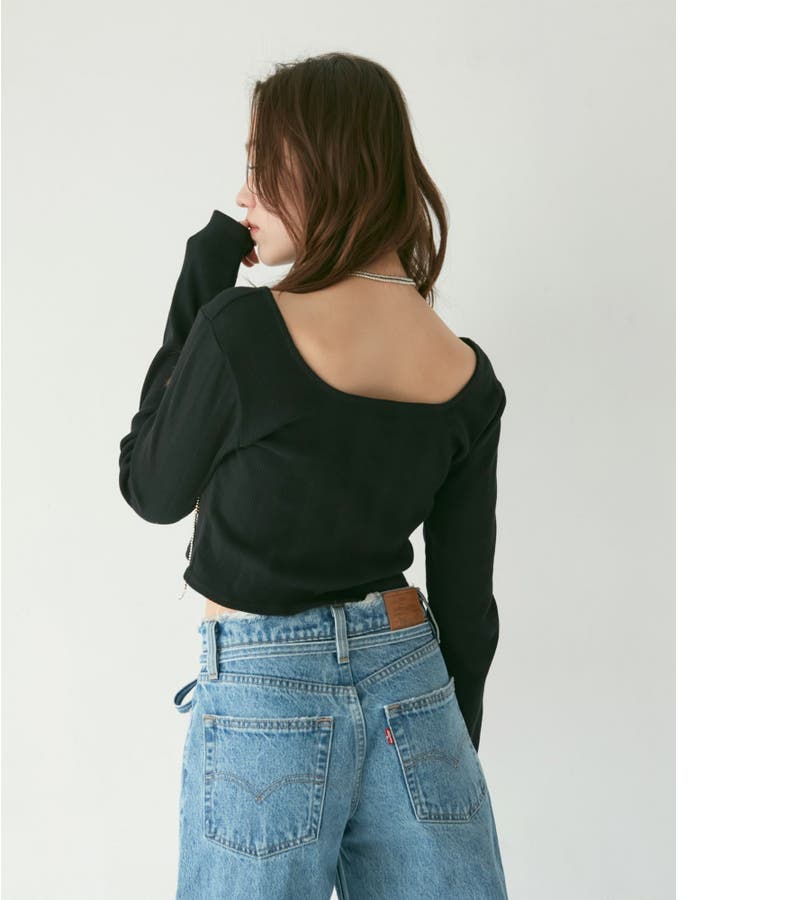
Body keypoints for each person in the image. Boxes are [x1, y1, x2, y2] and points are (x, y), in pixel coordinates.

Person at [118, 52, 509, 900]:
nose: (244, 195)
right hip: (418, 690)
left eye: (261, 166)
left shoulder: (243, 331)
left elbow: (150, 487)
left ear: (322, 168)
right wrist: (446, 752)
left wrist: (202, 273)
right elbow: (468, 606)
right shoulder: (465, 372)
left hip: (267, 691)